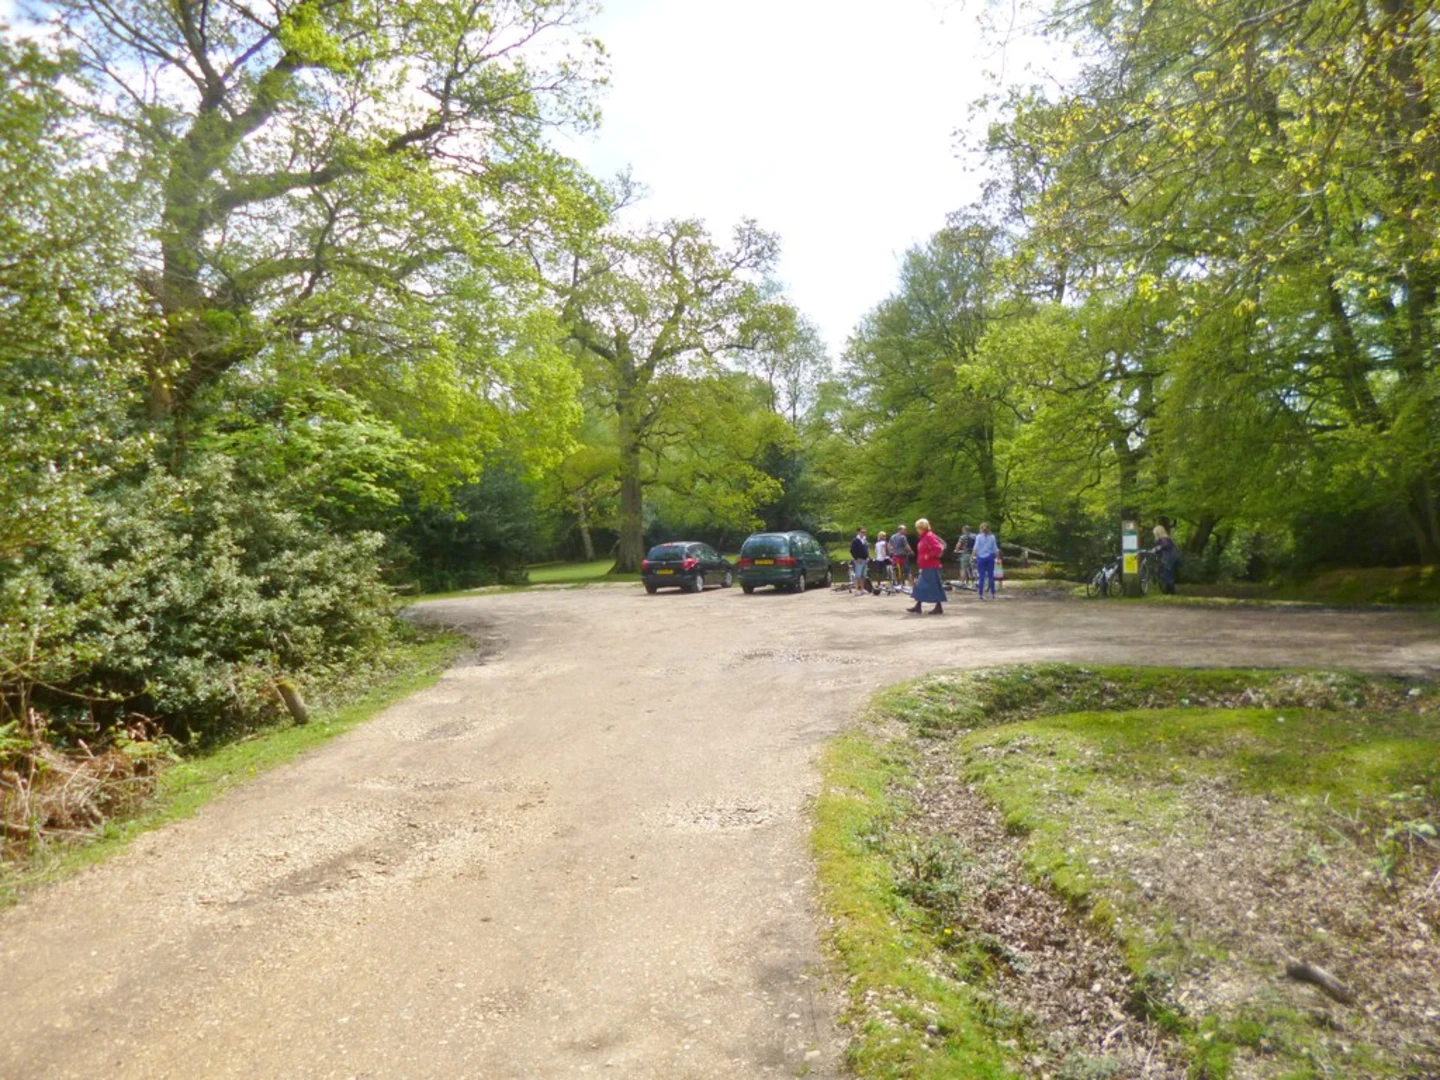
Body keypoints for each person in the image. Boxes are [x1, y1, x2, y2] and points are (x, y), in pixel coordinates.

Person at [906, 518, 947, 615]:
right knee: (921, 585)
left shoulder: (929, 536)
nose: (917, 530)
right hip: (926, 566)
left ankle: (937, 607)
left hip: (931, 566)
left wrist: (928, 556)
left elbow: (937, 549)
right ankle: (919, 605)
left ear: (922, 528)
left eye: (918, 528)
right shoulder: (924, 537)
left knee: (930, 586)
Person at [973, 522, 999, 599]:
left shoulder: (978, 537)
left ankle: (980, 594)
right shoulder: (992, 537)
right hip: (990, 557)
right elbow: (995, 549)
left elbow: (976, 548)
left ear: (981, 529)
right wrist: (997, 558)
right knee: (991, 576)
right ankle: (993, 593)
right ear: (989, 529)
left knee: (981, 576)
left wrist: (972, 557)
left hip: (980, 558)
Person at [1152, 524, 1179, 595]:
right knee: (1168, 573)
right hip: (1172, 557)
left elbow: (1165, 546)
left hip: (1168, 557)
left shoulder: (1163, 539)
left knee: (1167, 573)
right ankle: (1169, 590)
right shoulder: (1167, 538)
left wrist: (1157, 548)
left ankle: (1170, 591)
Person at [849, 527, 870, 592]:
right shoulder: (855, 540)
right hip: (859, 560)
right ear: (858, 532)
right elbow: (852, 550)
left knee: (863, 575)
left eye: (864, 532)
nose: (863, 533)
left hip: (865, 559)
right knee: (858, 575)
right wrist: (856, 558)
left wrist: (868, 557)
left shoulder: (864, 540)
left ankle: (862, 588)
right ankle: (857, 589)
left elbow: (866, 549)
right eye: (862, 532)